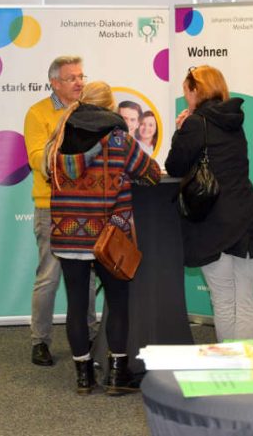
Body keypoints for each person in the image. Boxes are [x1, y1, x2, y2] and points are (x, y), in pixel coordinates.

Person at [44, 81, 161, 395]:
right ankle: (116, 376)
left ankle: (84, 377)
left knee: (77, 305)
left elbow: (46, 172)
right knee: (118, 304)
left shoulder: (58, 137)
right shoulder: (119, 138)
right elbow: (149, 172)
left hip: (67, 236)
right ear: (109, 108)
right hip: (109, 236)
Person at [165, 65, 253, 342]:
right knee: (245, 300)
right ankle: (245, 365)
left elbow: (174, 166)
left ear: (197, 90)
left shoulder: (196, 123)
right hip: (245, 218)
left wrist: (180, 130)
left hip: (212, 222)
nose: (186, 97)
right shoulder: (235, 121)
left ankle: (229, 368)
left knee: (223, 302)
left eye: (187, 91)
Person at [23, 55, 96, 366]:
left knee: (88, 275)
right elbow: (37, 157)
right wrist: (69, 155)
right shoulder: (38, 113)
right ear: (54, 82)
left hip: (85, 205)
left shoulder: (90, 112)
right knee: (49, 277)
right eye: (72, 78)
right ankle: (40, 341)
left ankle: (92, 335)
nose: (79, 82)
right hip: (51, 206)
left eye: (81, 76)